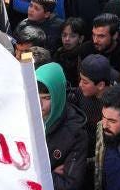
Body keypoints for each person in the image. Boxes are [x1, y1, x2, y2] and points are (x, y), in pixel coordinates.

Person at [36, 61, 88, 190]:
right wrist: (49, 173)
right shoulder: (22, 116)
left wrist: (39, 174)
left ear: (58, 96)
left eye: (46, 98)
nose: (39, 104)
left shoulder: (76, 134)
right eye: (35, 96)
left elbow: (69, 185)